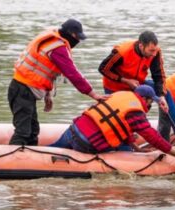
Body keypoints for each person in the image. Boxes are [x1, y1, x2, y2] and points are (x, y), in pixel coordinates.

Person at [8, 18, 107, 146]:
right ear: (71, 34)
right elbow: (72, 74)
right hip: (22, 90)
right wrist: (93, 94)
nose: (78, 41)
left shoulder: (53, 37)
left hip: (25, 89)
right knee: (23, 132)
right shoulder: (58, 48)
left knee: (33, 132)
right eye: (77, 37)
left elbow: (46, 70)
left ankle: (29, 160)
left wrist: (48, 94)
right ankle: (11, 162)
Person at [50, 85, 175, 169]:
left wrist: (137, 148)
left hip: (73, 130)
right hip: (86, 143)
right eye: (151, 102)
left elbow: (117, 123)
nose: (150, 106)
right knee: (125, 150)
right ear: (145, 99)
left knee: (50, 149)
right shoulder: (136, 111)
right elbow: (154, 138)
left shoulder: (120, 95)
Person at [98, 30, 175, 137]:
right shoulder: (122, 52)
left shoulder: (155, 52)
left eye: (155, 50)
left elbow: (159, 75)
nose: (154, 53)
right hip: (115, 86)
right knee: (121, 115)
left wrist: (161, 96)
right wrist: (125, 80)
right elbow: (103, 69)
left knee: (165, 93)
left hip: (136, 84)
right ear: (141, 46)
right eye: (151, 50)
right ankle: (125, 135)